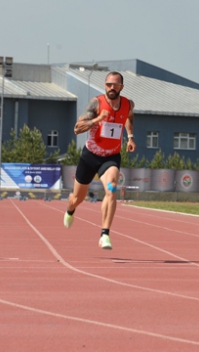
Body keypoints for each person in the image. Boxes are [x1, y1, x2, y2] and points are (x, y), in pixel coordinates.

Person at [63, 71, 135, 250]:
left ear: (121, 87)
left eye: (116, 85)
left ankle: (105, 234)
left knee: (111, 188)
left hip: (111, 157)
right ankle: (71, 210)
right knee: (76, 198)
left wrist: (131, 136)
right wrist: (98, 119)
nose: (112, 88)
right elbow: (77, 128)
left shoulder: (128, 104)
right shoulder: (96, 103)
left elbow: (129, 117)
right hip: (90, 156)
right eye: (109, 84)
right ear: (105, 85)